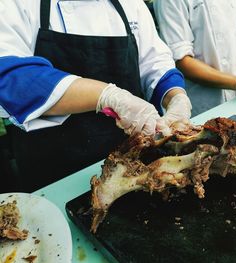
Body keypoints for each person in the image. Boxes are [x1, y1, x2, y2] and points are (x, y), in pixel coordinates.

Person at [0, 0, 192, 191]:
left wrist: (175, 96)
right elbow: (9, 77)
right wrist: (107, 96)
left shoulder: (131, 4)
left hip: (134, 163)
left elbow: (155, 60)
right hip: (54, 171)